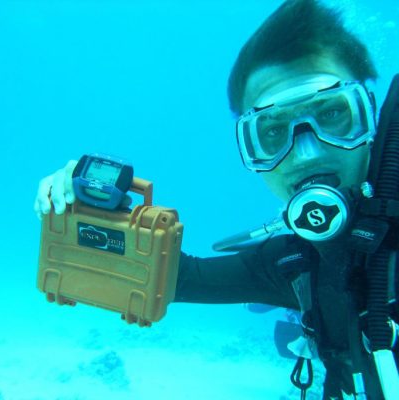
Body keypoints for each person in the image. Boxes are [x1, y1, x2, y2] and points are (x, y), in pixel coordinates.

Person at [34, 0, 399, 399]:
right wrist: (84, 212)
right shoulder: (293, 266)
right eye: (272, 133)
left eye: (331, 115)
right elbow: (171, 278)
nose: (307, 154)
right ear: (250, 153)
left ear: (371, 117)